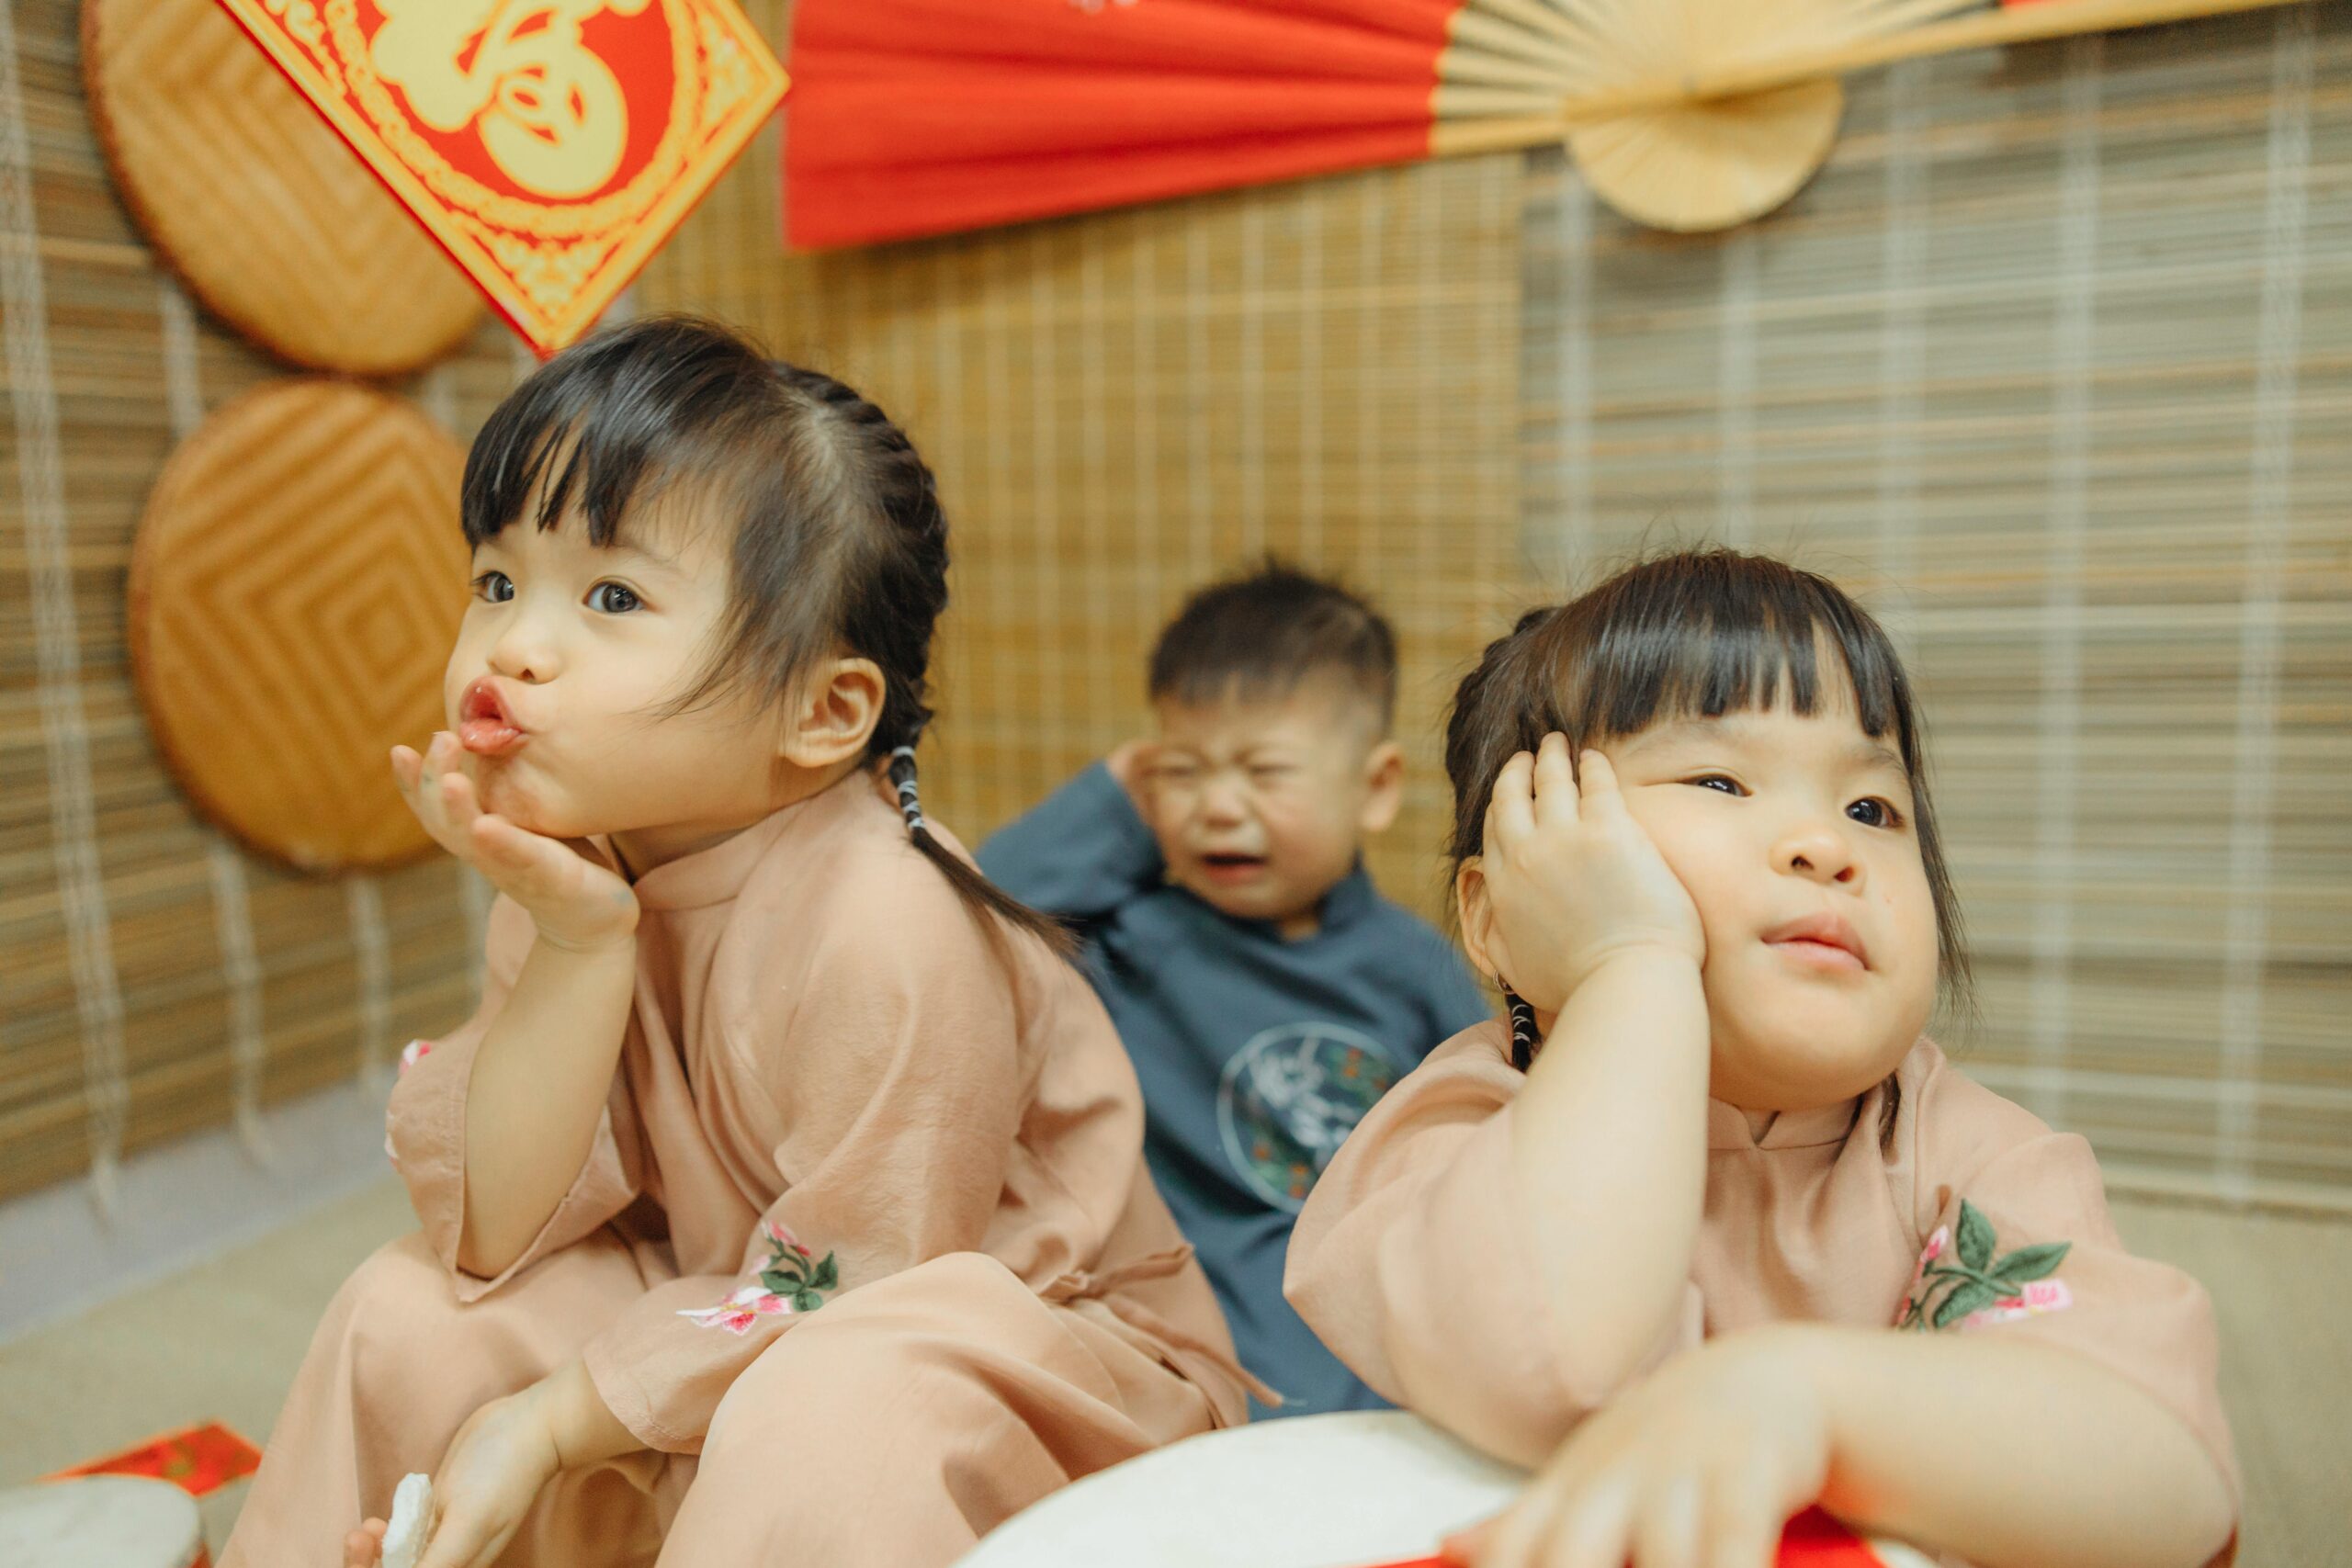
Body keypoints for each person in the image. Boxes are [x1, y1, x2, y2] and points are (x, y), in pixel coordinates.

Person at [219, 316, 1256, 1568]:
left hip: (1010, 1362)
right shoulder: (580, 869)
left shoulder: (887, 920)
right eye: (496, 580)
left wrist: (555, 1420)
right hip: (726, 1314)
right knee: (409, 1311)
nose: (514, 645)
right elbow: (494, 1233)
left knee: (828, 1398)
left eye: (612, 595)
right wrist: (578, 945)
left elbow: (844, 1279)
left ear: (824, 711)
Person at [1286, 549, 2237, 1568]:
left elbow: (2167, 1489)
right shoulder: (1460, 1123)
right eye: (1720, 779)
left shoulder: (1966, 1153)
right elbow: (1543, 1363)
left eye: (1870, 809)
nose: (1824, 845)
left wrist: (1803, 1398)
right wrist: (1630, 965)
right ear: (1502, 909)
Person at [981, 565, 1490, 1418]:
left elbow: (1496, 1135)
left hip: (1365, 1315)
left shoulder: (1416, 964)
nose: (1218, 805)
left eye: (1263, 770)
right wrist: (1114, 797)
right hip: (1174, 1306)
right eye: (1181, 771)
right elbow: (981, 905)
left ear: (1373, 788)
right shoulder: (1133, 938)